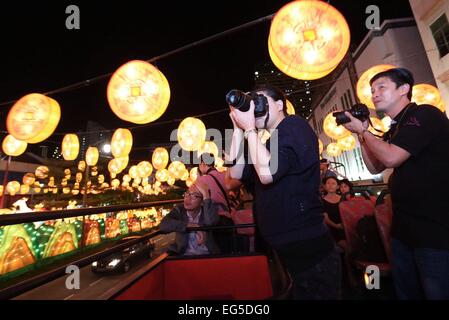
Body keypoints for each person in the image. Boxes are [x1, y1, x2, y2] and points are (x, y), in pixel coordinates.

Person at [341, 67, 449, 299]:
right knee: (407, 291)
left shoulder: (424, 114)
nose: (374, 94)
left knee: (437, 291)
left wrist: (366, 133)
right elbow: (375, 167)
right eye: (372, 90)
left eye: (381, 87)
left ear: (404, 89)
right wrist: (360, 135)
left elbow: (391, 157)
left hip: (434, 228)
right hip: (403, 228)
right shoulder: (394, 127)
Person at [227, 85, 341, 300]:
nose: (255, 108)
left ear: (280, 105)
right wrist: (237, 128)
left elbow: (268, 173)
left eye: (259, 102)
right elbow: (236, 171)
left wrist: (250, 128)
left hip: (309, 246)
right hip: (291, 248)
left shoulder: (294, 125)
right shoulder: (269, 143)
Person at [195, 154, 241, 253]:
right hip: (228, 219)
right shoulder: (224, 175)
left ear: (202, 164)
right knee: (229, 250)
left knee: (217, 253)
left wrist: (198, 177)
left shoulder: (201, 180)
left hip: (213, 220)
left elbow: (194, 197)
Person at [159, 182, 220, 256]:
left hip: (207, 255)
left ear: (202, 201)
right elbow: (163, 225)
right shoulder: (179, 210)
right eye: (187, 194)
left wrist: (206, 196)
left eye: (194, 196)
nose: (188, 198)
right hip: (184, 256)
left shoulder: (207, 210)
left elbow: (211, 222)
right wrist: (191, 226)